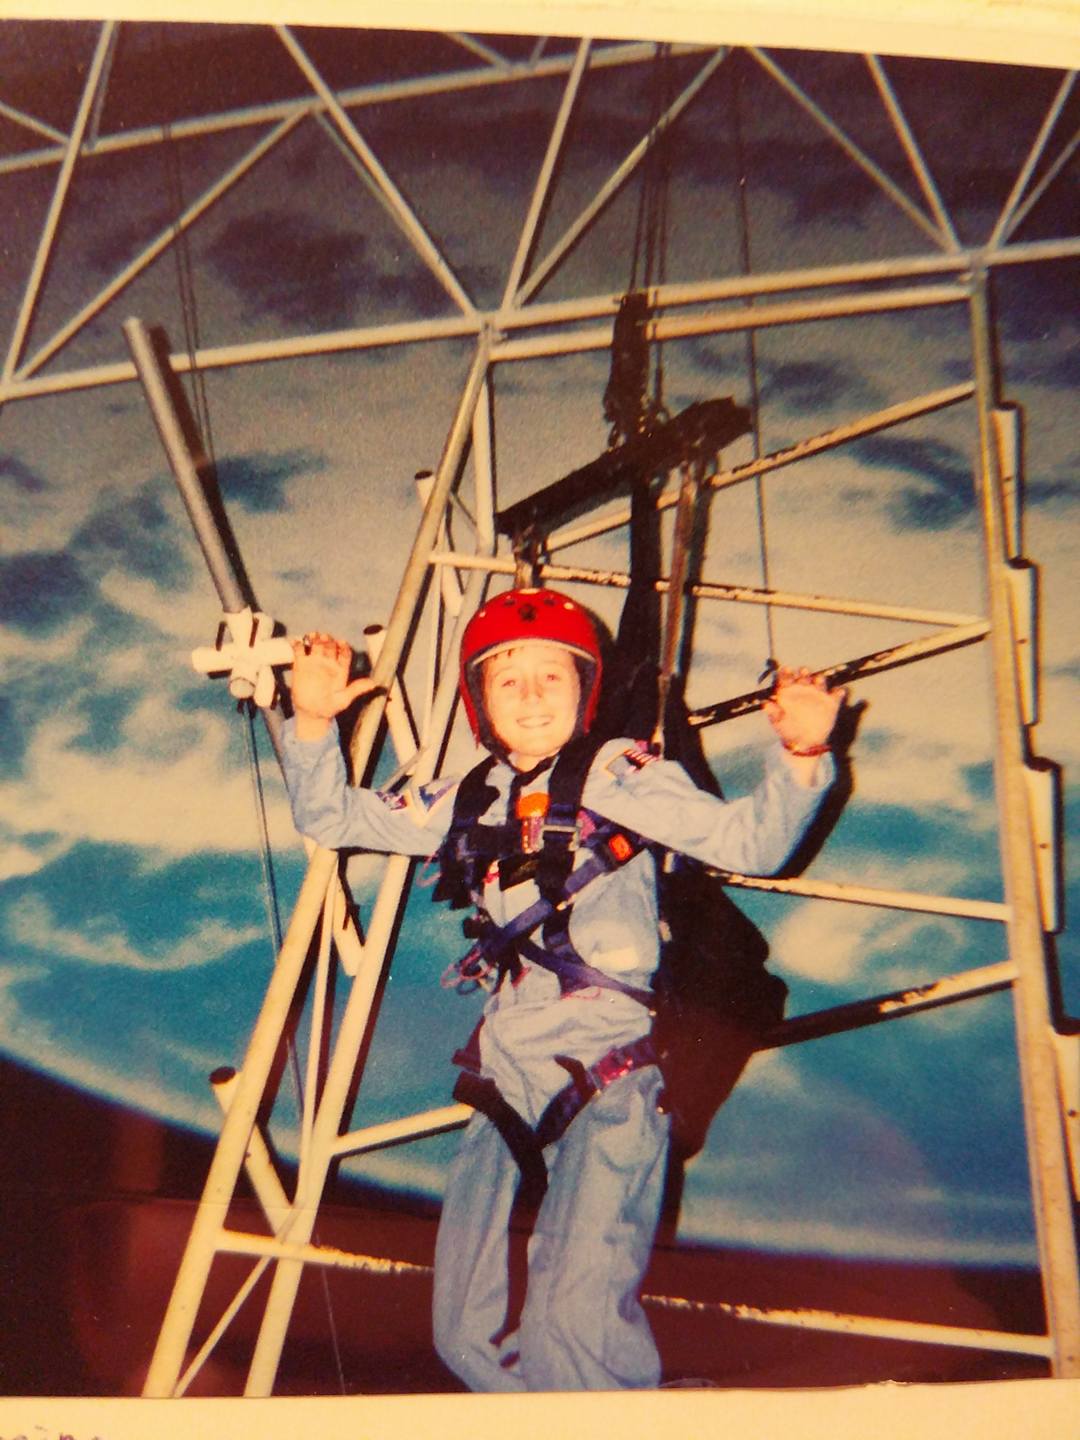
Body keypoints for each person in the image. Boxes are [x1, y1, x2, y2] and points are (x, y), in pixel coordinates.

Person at [282, 586, 844, 1392]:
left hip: (608, 1068)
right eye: (509, 680)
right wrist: (312, 723)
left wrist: (799, 759)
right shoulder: (460, 795)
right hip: (506, 1074)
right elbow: (331, 816)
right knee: (465, 1335)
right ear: (481, 701)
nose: (533, 695)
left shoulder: (619, 773)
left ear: (585, 691)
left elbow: (750, 845)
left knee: (569, 1325)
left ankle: (610, 1413)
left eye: (553, 676)